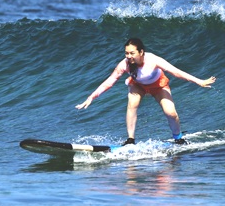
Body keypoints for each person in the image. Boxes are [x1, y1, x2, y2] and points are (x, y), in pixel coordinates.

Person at [76, 38, 216, 145]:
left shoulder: (153, 60)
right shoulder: (124, 64)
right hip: (138, 86)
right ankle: (130, 139)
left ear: (141, 52)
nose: (129, 56)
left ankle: (178, 138)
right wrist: (91, 97)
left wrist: (199, 81)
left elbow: (176, 72)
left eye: (132, 53)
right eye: (126, 53)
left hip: (158, 85)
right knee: (132, 104)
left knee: (171, 113)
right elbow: (109, 82)